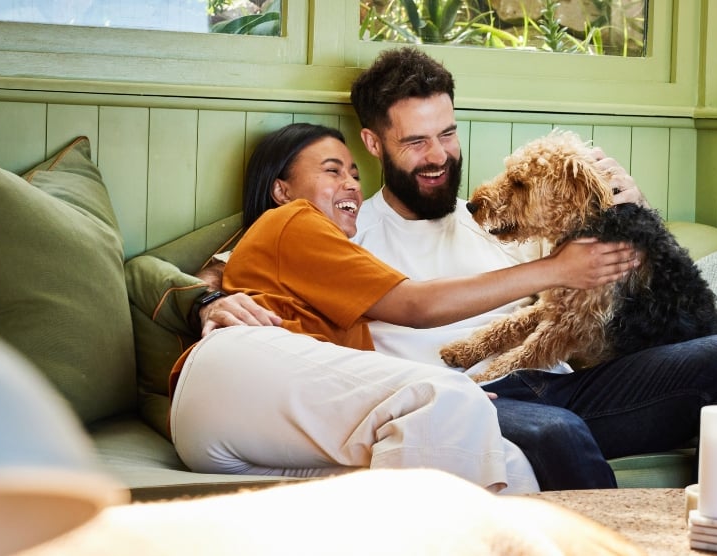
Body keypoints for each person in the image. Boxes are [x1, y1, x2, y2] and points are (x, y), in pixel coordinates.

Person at [197, 48, 717, 490]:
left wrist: (629, 209)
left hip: (561, 384)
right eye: (416, 142)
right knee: (557, 434)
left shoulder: (508, 216)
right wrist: (207, 302)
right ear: (374, 144)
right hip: (461, 400)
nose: (438, 156)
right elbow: (221, 270)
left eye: (447, 133)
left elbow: (631, 290)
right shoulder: (343, 224)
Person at [169, 123, 639, 495]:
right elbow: (414, 303)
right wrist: (559, 269)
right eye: (332, 171)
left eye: (354, 173)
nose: (351, 184)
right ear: (281, 191)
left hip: (244, 432)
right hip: (238, 379)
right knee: (449, 399)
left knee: (511, 467)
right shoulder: (293, 220)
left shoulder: (319, 258)